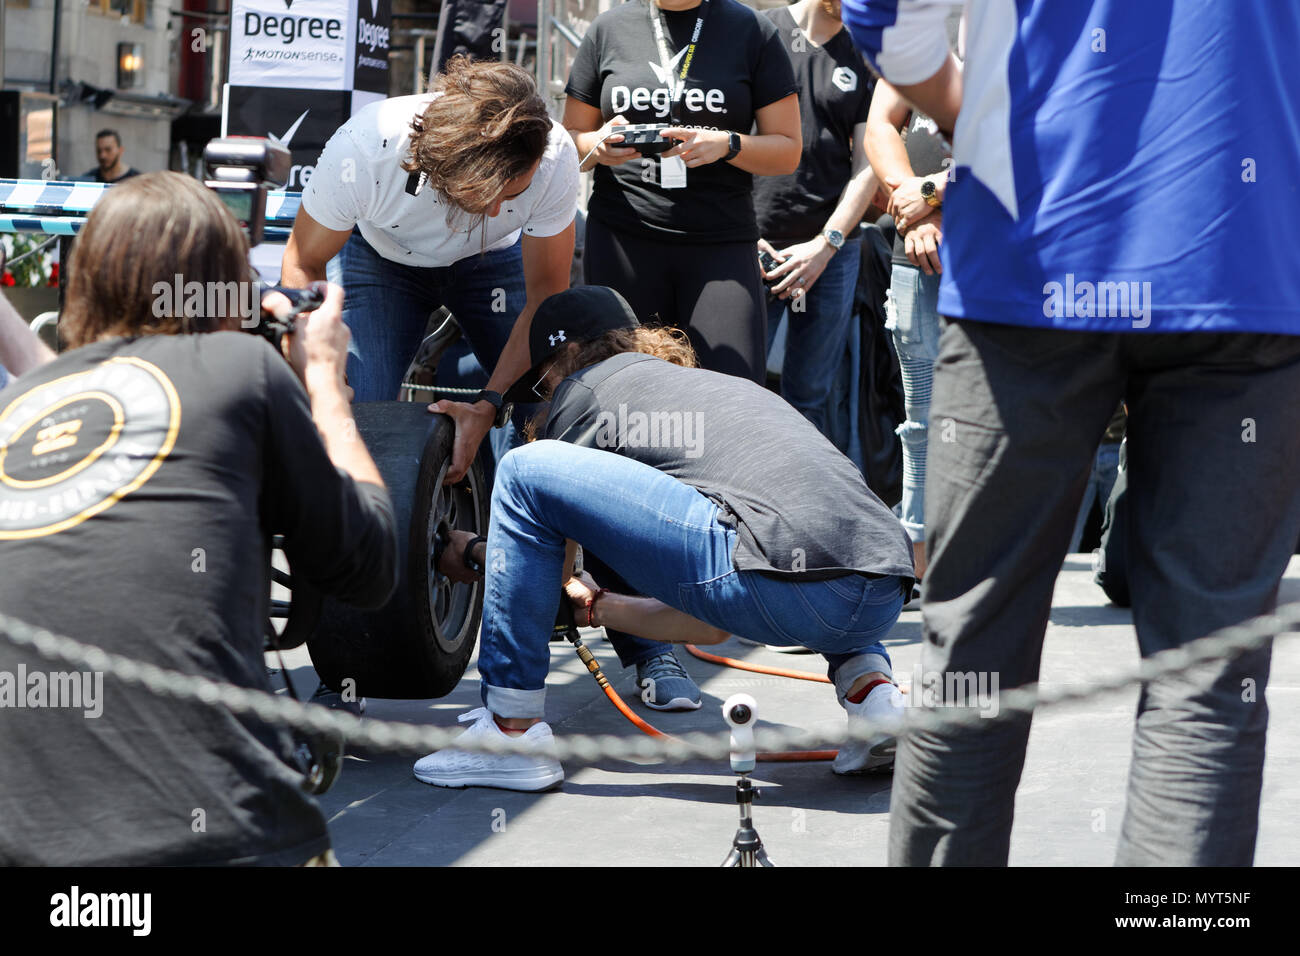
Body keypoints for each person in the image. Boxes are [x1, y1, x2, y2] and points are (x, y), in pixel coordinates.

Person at [842, 0, 1300, 866]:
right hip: (1243, 256)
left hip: (1035, 250)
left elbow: (882, 11)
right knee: (1205, 677)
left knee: (975, 648)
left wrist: (975, 116)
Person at [0, 172, 399, 865]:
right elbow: (368, 567)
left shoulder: (24, 405)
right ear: (223, 283)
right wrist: (326, 384)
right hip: (215, 835)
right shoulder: (241, 364)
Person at [412, 286, 916, 790]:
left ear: (566, 356)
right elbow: (716, 623)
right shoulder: (707, 391)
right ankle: (875, 699)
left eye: (543, 386)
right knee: (824, 539)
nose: (544, 400)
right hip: (881, 585)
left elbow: (557, 574)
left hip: (773, 578)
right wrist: (600, 608)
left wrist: (478, 553)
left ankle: (510, 732)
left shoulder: (587, 390)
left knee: (524, 470)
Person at [280, 56, 578, 483]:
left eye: (514, 193)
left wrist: (488, 405)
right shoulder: (366, 147)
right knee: (353, 411)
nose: (497, 209)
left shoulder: (554, 155)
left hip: (493, 262)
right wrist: (320, 374)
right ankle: (362, 535)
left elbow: (546, 301)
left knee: (550, 401)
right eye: (483, 194)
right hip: (382, 260)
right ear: (443, 166)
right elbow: (302, 263)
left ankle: (519, 530)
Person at [562, 0, 802, 386]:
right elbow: (569, 140)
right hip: (623, 238)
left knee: (731, 395)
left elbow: (788, 151)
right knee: (622, 392)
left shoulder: (752, 30)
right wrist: (598, 143)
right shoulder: (608, 29)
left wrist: (728, 144)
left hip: (719, 246)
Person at [753, 0, 881, 450]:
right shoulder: (759, 31)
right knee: (736, 386)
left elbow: (870, 164)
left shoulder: (865, 50)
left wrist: (826, 245)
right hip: (755, 244)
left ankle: (802, 510)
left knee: (810, 398)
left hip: (832, 251)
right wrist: (742, 232)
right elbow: (723, 134)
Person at [863, 76, 951, 580]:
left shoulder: (1025, 33)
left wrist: (933, 191)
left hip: (1002, 260)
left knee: (1005, 417)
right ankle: (918, 561)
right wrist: (913, 212)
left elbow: (1029, 142)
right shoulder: (917, 32)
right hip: (917, 258)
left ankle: (991, 560)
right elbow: (880, 124)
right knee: (921, 424)